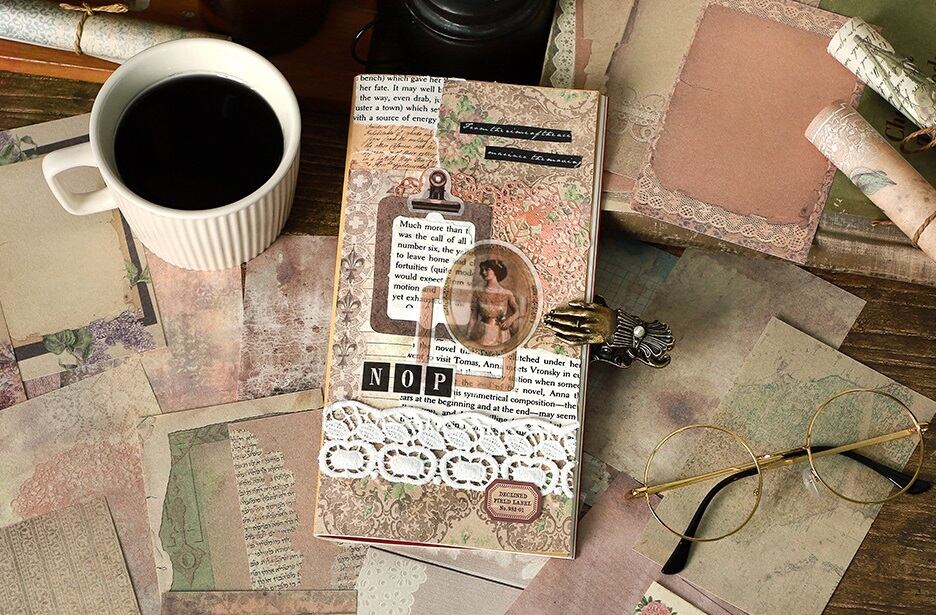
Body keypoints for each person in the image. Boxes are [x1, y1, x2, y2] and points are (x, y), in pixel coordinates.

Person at [466, 259, 519, 348]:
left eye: (487, 269)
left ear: (495, 271)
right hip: (483, 332)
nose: (483, 272)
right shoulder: (478, 292)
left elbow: (517, 311)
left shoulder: (507, 293)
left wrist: (510, 320)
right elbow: (473, 317)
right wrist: (467, 336)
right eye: (482, 270)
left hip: (502, 333)